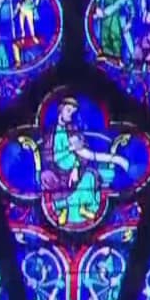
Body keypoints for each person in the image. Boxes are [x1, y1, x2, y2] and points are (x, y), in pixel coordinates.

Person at [37, 96, 133, 228]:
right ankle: (63, 209)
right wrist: (66, 153)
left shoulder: (73, 131)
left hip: (76, 170)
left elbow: (85, 153)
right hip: (57, 172)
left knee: (90, 176)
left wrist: (117, 159)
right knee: (46, 177)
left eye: (73, 112)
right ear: (60, 110)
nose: (71, 115)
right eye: (68, 110)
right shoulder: (50, 133)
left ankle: (82, 207)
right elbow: (49, 156)